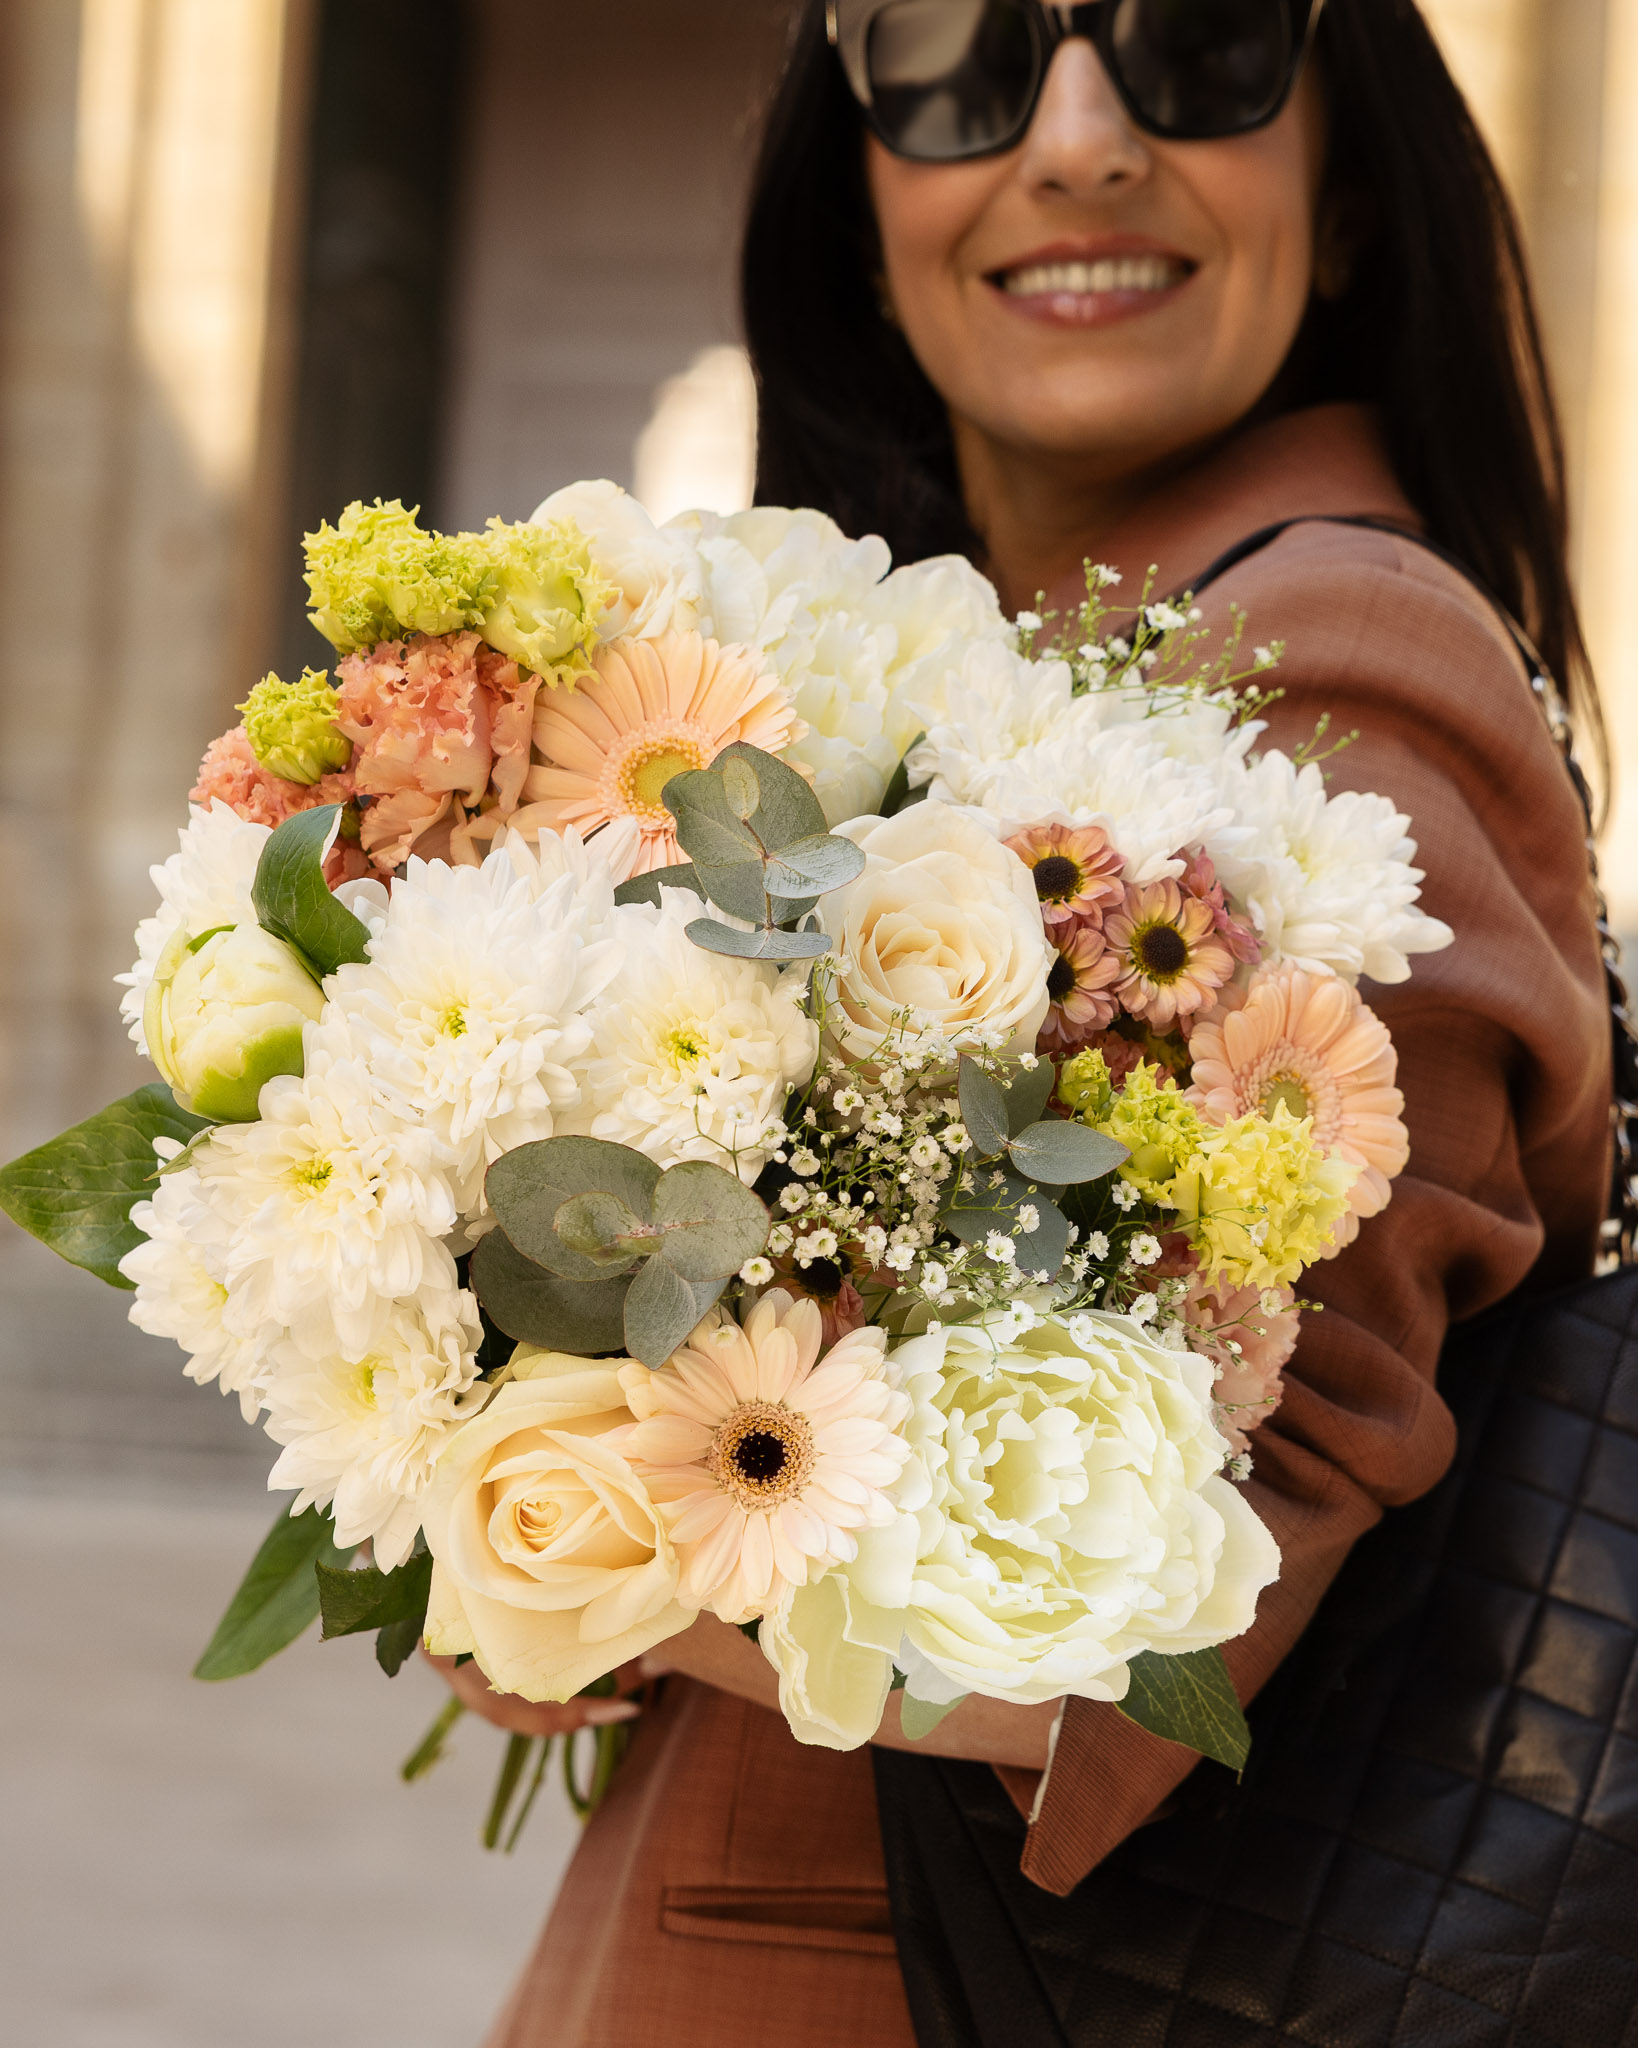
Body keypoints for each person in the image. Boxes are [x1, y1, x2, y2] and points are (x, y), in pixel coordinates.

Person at [439, 2, 1611, 2040]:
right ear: (860, 194)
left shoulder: (1339, 656)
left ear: (1343, 201)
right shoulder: (987, 648)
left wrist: (544, 1523)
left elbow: (1176, 1591)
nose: (1074, 136)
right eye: (958, 56)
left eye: (1204, 45)